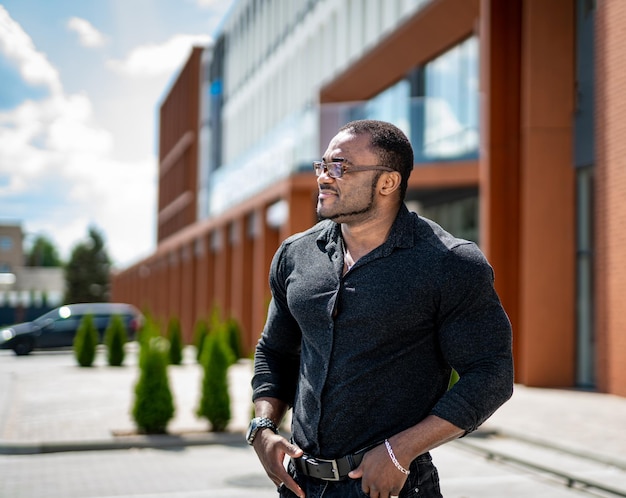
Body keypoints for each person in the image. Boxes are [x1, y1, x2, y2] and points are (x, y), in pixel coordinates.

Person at [247, 119, 514, 498]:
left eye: (340, 167)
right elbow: (274, 351)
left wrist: (400, 451)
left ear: (388, 182)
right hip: (299, 484)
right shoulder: (295, 255)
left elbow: (491, 374)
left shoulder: (449, 262)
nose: (324, 177)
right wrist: (263, 428)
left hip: (390, 486)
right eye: (322, 165)